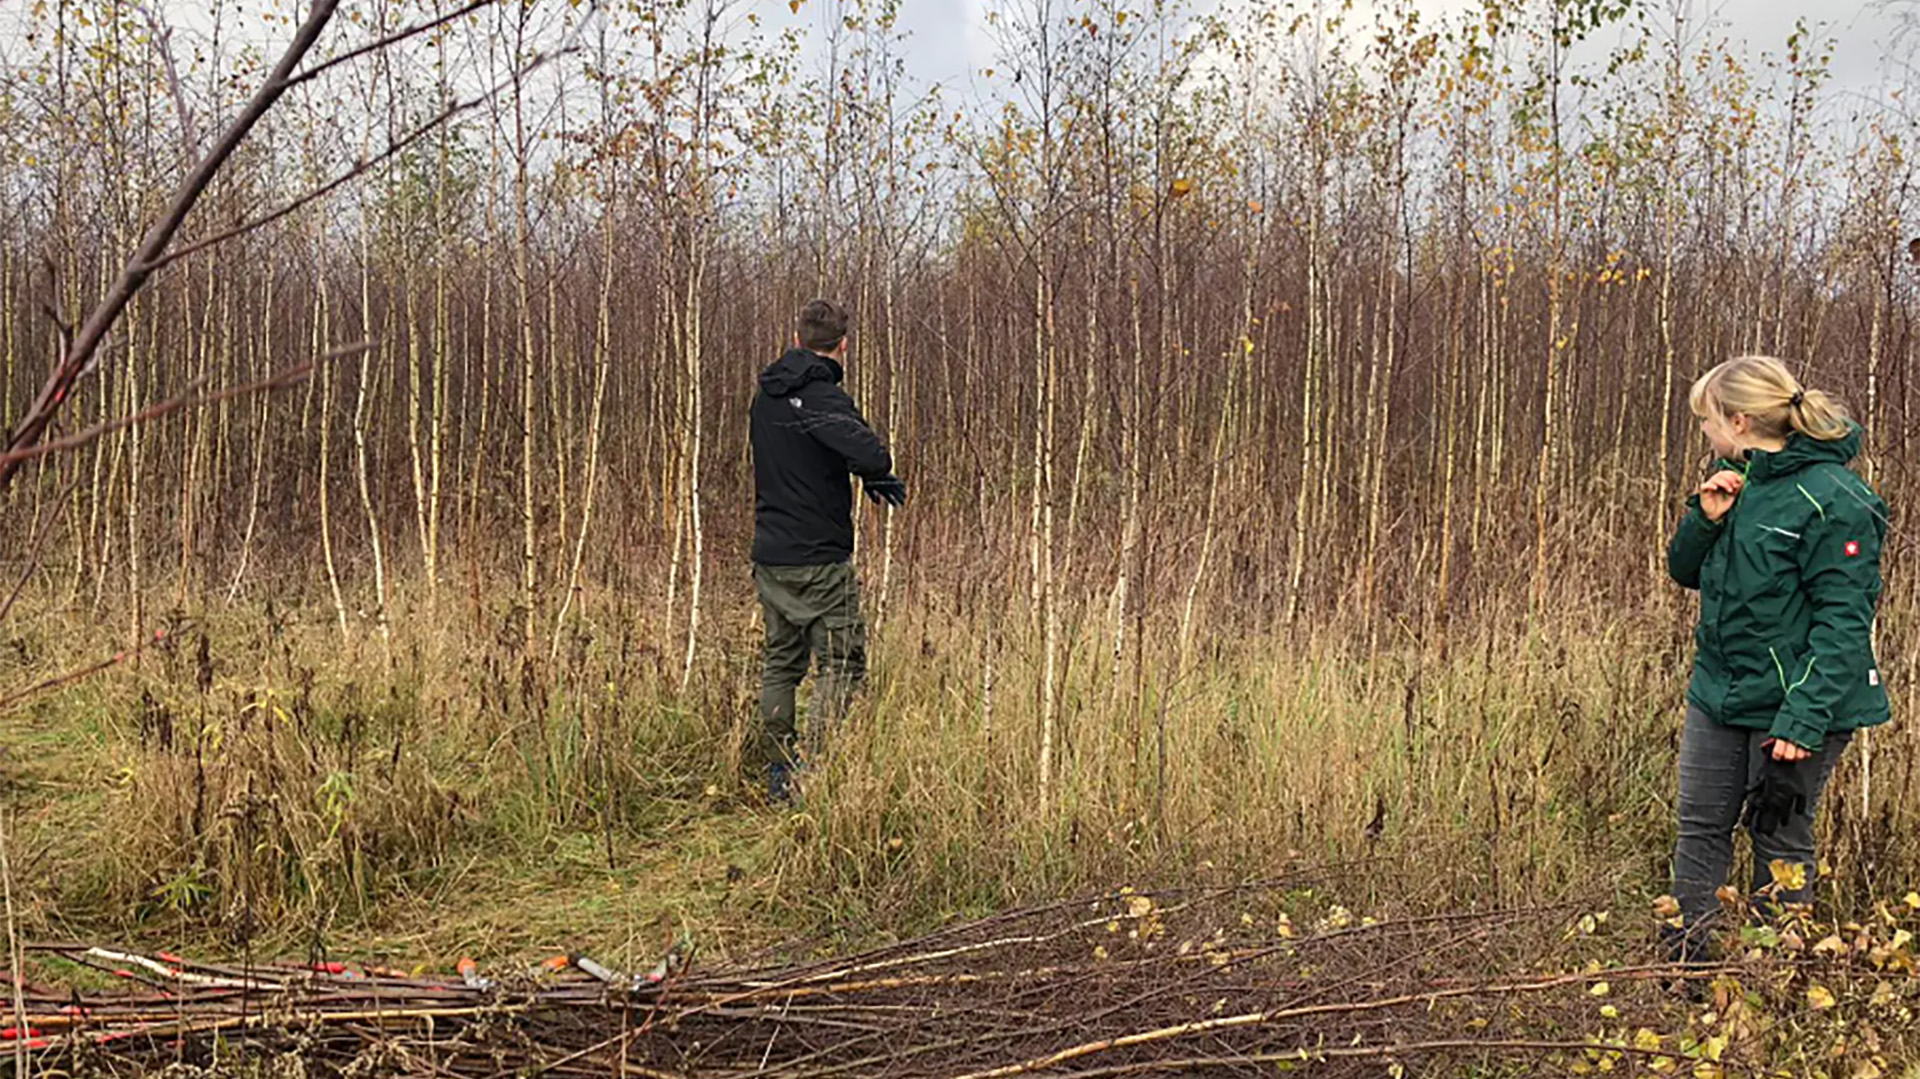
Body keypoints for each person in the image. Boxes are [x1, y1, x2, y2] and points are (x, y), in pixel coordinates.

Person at [1663, 355, 1890, 961]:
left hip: (1797, 706)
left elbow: (1844, 621)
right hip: (1719, 694)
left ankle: (1773, 977)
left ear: (1739, 421)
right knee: (1701, 826)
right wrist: (1705, 519)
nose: (1704, 433)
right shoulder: (1734, 482)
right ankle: (1691, 963)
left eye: (1707, 420)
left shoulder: (1836, 499)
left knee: (1779, 837)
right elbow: (1683, 570)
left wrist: (1803, 718)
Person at [749, 299, 906, 803]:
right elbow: (870, 451)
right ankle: (814, 770)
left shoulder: (766, 397)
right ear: (843, 345)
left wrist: (866, 473)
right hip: (818, 556)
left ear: (797, 338)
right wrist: (875, 473)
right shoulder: (821, 395)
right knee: (840, 662)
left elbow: (810, 448)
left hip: (771, 554)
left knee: (781, 663)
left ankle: (779, 770)